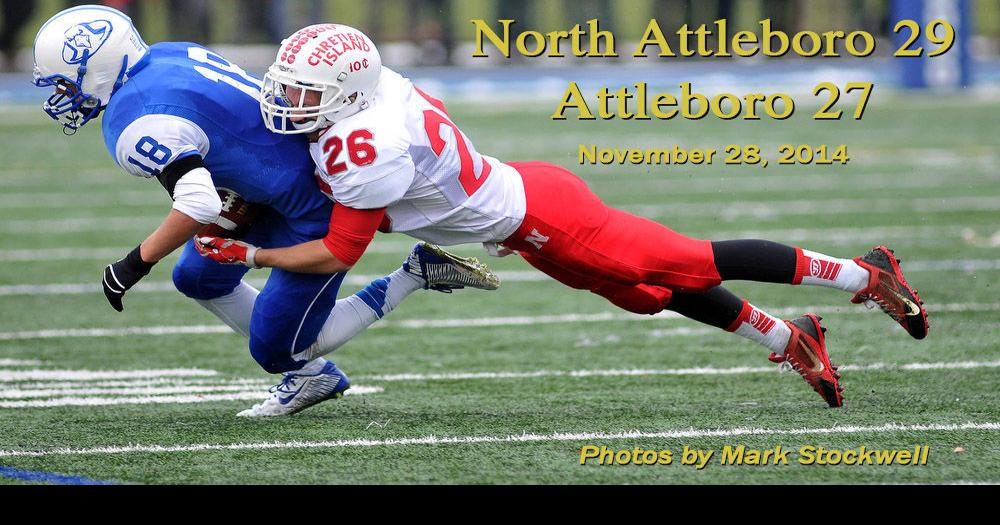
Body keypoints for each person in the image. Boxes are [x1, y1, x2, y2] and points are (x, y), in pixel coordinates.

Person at [199, 23, 930, 408]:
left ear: (345, 92)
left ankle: (863, 277)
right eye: (287, 86)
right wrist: (455, 200)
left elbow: (335, 254)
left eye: (304, 91)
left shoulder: (362, 147)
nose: (288, 102)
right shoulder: (381, 89)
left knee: (691, 261)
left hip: (543, 218)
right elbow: (433, 131)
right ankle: (786, 333)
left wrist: (253, 257)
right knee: (645, 295)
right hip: (524, 208)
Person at [31, 6, 500, 417]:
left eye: (64, 81)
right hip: (270, 189)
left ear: (96, 68)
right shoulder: (169, 53)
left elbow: (196, 201)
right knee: (198, 276)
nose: (62, 94)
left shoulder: (137, 119)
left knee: (278, 348)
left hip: (313, 203)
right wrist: (238, 192)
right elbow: (227, 132)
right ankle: (311, 373)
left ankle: (411, 275)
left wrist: (133, 263)